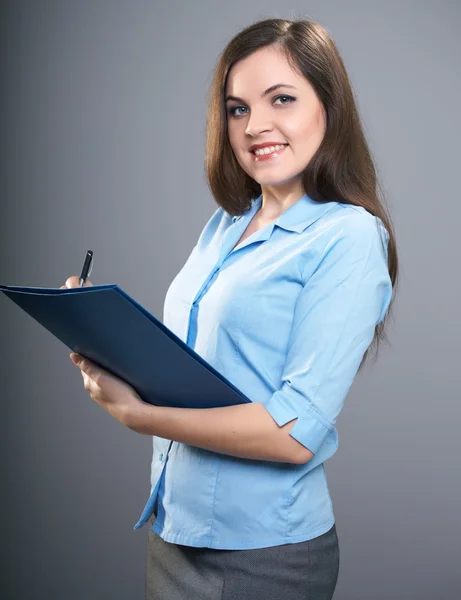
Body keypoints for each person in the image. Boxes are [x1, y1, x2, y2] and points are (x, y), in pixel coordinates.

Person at [62, 17, 398, 600]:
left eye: (282, 100)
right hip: (173, 530)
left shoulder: (348, 238)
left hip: (261, 557)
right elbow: (199, 368)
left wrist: (137, 414)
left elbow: (295, 431)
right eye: (238, 108)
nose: (255, 126)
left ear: (330, 108)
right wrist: (100, 336)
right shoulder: (227, 224)